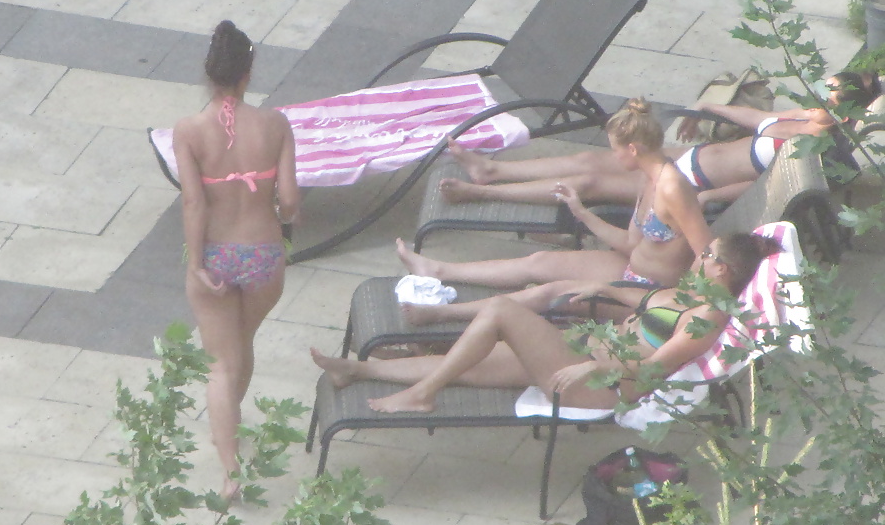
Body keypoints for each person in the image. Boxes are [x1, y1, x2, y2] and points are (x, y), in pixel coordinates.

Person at [311, 232, 782, 413]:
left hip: (602, 386)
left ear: (723, 271)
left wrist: (594, 370)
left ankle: (420, 395)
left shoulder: (709, 316)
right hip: (584, 354)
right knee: (474, 364)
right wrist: (610, 292)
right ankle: (359, 370)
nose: (700, 255)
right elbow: (648, 308)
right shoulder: (693, 293)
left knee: (501, 312)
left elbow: (655, 368)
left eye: (708, 254)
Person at [396, 97, 712, 325]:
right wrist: (581, 212)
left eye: (615, 149)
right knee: (540, 261)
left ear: (633, 149)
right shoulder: (648, 177)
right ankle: (440, 271)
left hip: (650, 294)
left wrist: (681, 310)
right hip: (632, 269)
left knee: (550, 293)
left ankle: (441, 314)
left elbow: (707, 254)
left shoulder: (673, 188)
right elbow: (631, 244)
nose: (613, 157)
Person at [172, 20, 300, 500]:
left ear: (209, 75)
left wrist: (198, 264)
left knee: (219, 364)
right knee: (241, 342)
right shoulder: (275, 124)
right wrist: (286, 211)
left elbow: (193, 203)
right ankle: (230, 423)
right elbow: (288, 199)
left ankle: (230, 470)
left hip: (218, 254)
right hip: (265, 254)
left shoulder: (189, 131)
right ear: (248, 74)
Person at [439, 71, 881, 208]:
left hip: (691, 183)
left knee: (590, 182)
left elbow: (765, 188)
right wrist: (710, 108)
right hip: (688, 157)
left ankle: (480, 191)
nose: (820, 96)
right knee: (592, 159)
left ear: (845, 109)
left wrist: (706, 200)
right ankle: (493, 169)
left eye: (830, 94)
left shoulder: (811, 149)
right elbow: (760, 117)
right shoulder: (806, 118)